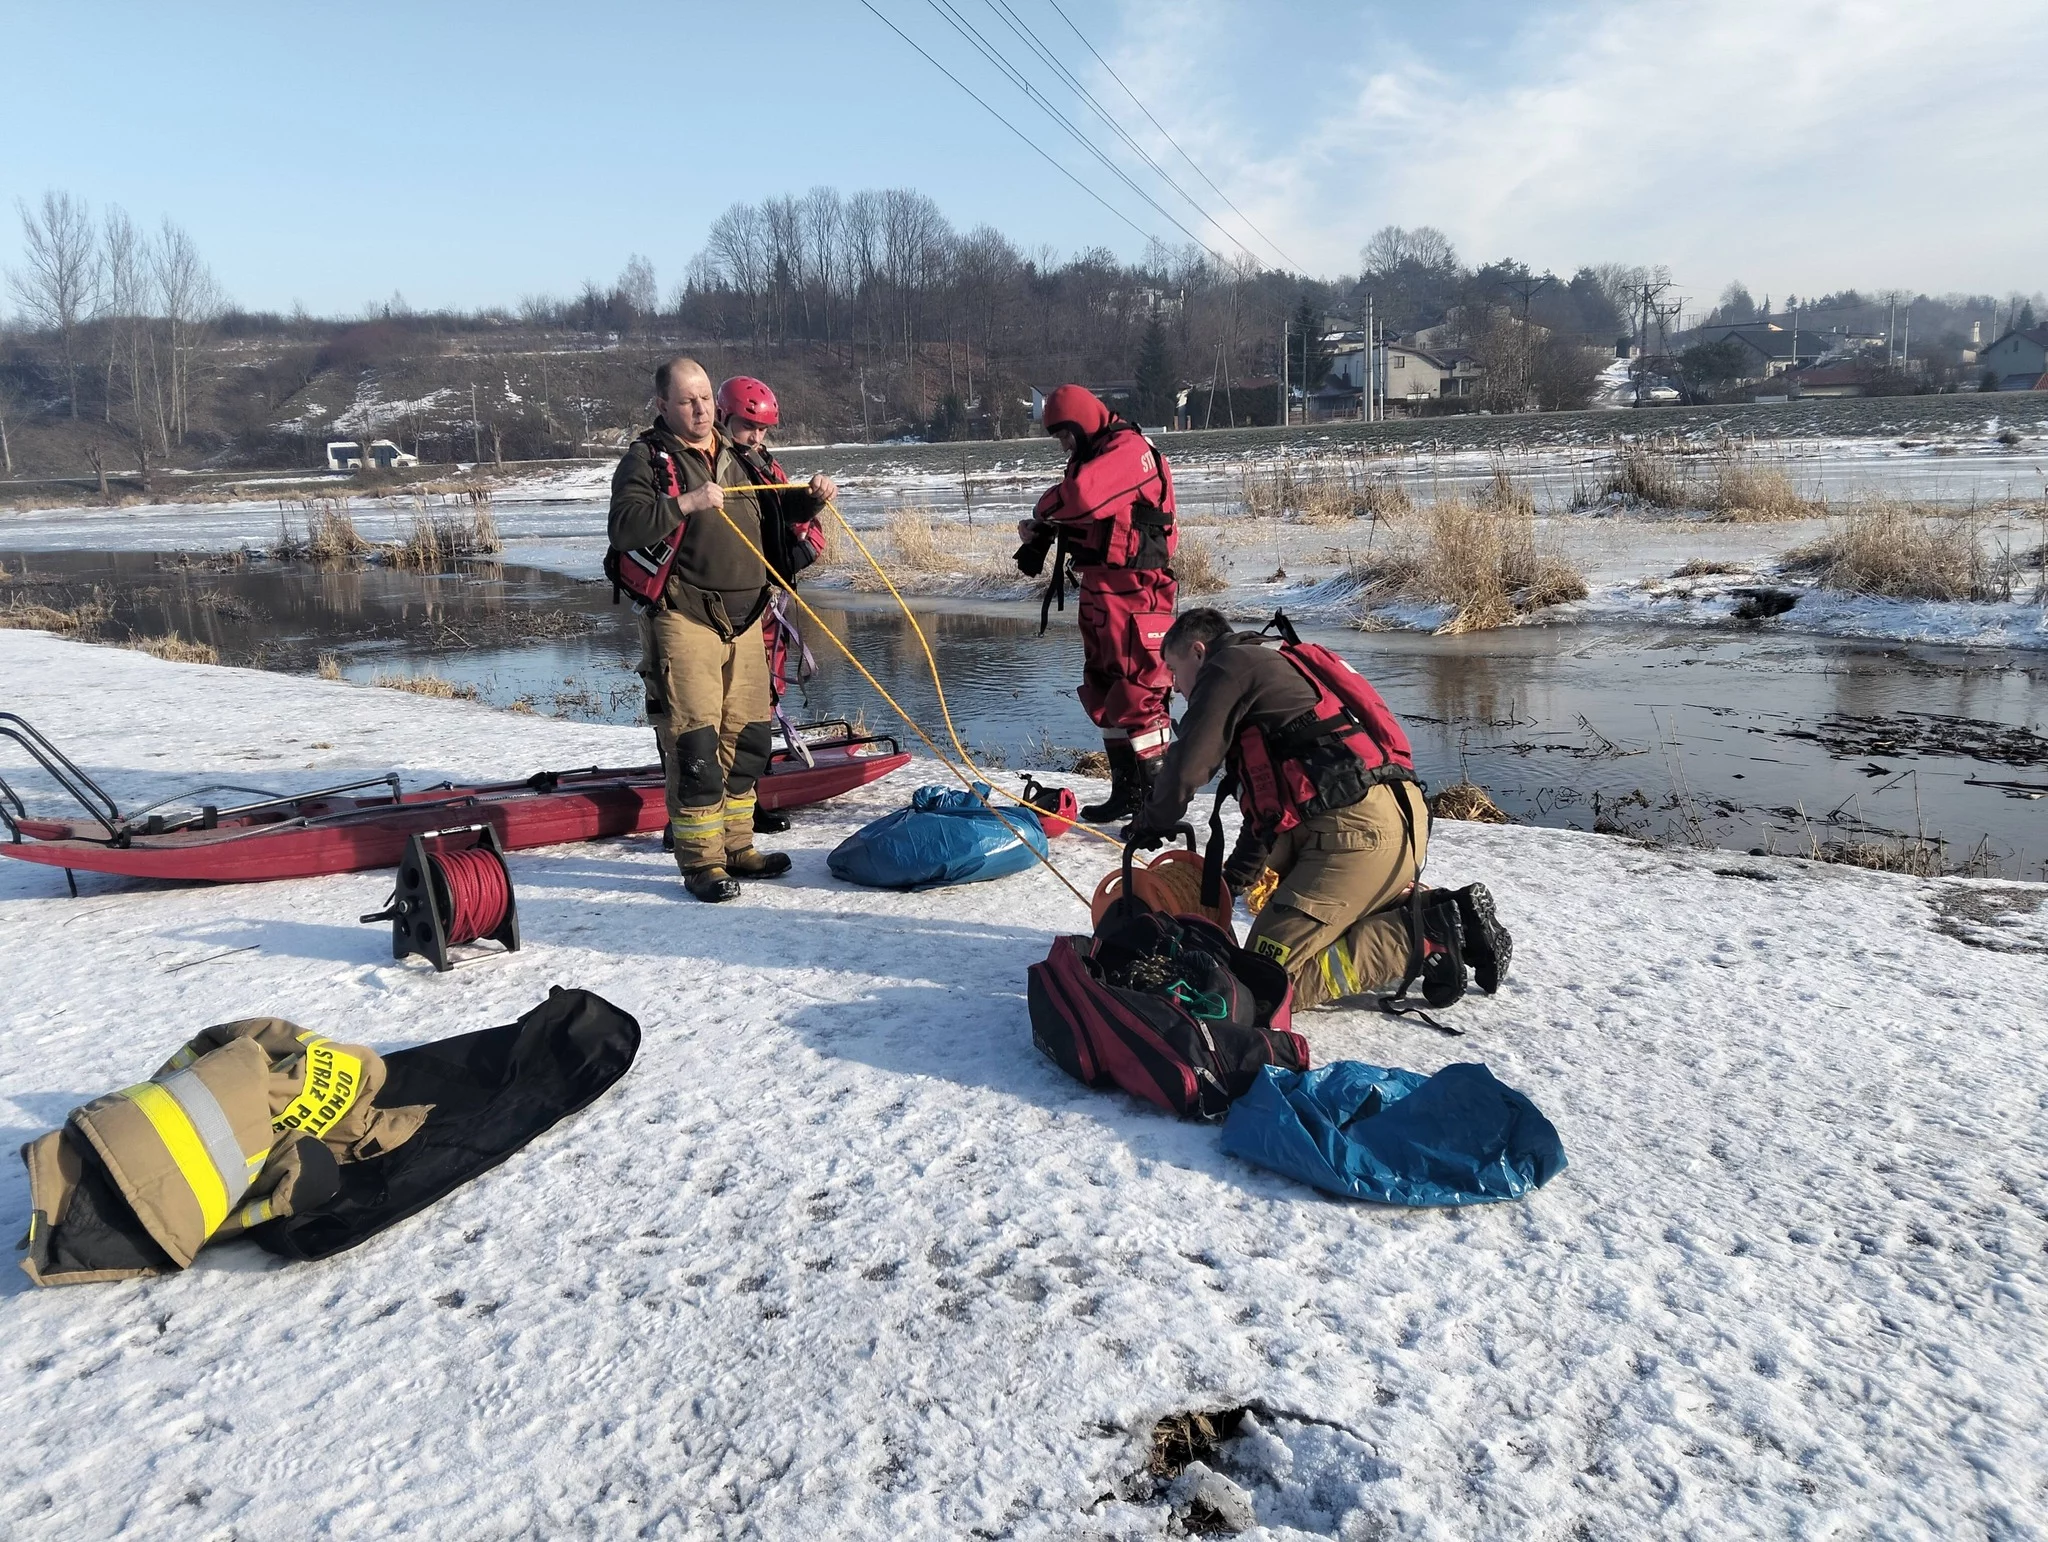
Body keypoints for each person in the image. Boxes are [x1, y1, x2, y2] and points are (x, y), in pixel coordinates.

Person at [1124, 608, 1512, 1013]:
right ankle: (1449, 912)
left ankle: (1416, 937)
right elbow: (1270, 812)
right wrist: (1233, 881)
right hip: (1398, 826)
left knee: (1256, 987)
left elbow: (1188, 766)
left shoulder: (1227, 667)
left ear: (1199, 652)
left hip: (1355, 839)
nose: (1173, 686)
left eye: (1173, 668)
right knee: (1271, 943)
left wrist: (1153, 819)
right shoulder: (1273, 661)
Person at [608, 357, 803, 902]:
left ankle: (738, 847)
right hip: (684, 617)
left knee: (747, 739)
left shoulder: (740, 454)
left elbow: (778, 514)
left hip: (746, 622)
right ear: (663, 406)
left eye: (704, 399)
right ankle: (701, 863)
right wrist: (686, 502)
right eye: (687, 401)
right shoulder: (646, 459)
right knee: (694, 743)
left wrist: (811, 498)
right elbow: (623, 528)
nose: (699, 409)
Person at [1014, 385, 1177, 823]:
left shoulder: (1128, 451)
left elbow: (1081, 496)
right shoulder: (1095, 453)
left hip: (1137, 591)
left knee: (1139, 691)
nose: (1064, 444)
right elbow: (1080, 506)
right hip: (1102, 588)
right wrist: (1042, 528)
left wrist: (1043, 506)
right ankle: (1127, 793)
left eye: (1065, 434)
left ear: (1082, 423)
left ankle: (1158, 805)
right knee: (1104, 689)